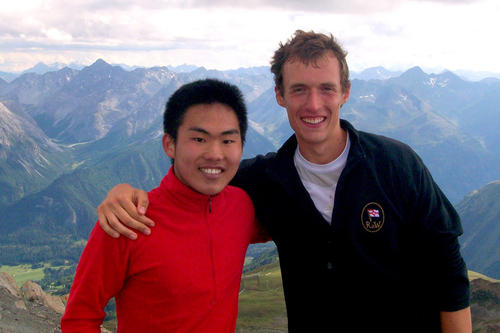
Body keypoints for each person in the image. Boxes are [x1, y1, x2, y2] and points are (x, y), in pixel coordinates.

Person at [97, 31, 471, 332]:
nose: (313, 104)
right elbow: (190, 189)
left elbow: (448, 269)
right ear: (279, 95)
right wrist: (126, 194)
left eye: (326, 88)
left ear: (345, 92)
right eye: (299, 90)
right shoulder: (262, 180)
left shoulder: (395, 164)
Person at [61, 79, 267, 332]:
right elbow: (79, 318)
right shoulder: (127, 220)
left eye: (228, 141)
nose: (215, 153)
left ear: (242, 146)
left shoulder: (242, 207)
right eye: (199, 139)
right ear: (169, 144)